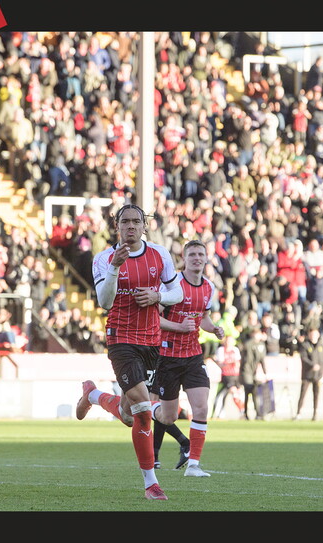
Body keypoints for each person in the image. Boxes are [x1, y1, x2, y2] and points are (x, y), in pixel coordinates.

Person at [74, 204, 183, 501]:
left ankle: (93, 396)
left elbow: (178, 293)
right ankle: (151, 484)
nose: (131, 226)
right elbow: (105, 301)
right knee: (144, 410)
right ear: (117, 226)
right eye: (126, 222)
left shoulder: (159, 254)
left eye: (137, 221)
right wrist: (115, 268)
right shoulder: (103, 258)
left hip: (150, 340)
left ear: (144, 226)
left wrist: (158, 295)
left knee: (127, 415)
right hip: (121, 339)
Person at [149, 240, 225, 477]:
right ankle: (147, 407)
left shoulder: (209, 287)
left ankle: (193, 465)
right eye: (192, 254)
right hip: (167, 356)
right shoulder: (173, 285)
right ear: (184, 258)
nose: (196, 258)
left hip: (193, 355)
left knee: (201, 408)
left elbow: (202, 317)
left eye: (200, 254)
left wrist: (213, 329)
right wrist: (180, 327)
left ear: (205, 258)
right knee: (168, 416)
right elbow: (154, 319)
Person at [294, 327, 323, 420]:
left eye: (315, 334)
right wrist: (312, 365)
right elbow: (304, 358)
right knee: (303, 393)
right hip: (307, 374)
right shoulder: (305, 345)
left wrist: (321, 370)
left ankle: (315, 413)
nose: (313, 336)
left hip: (317, 375)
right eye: (312, 334)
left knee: (316, 395)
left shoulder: (321, 346)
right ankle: (298, 413)